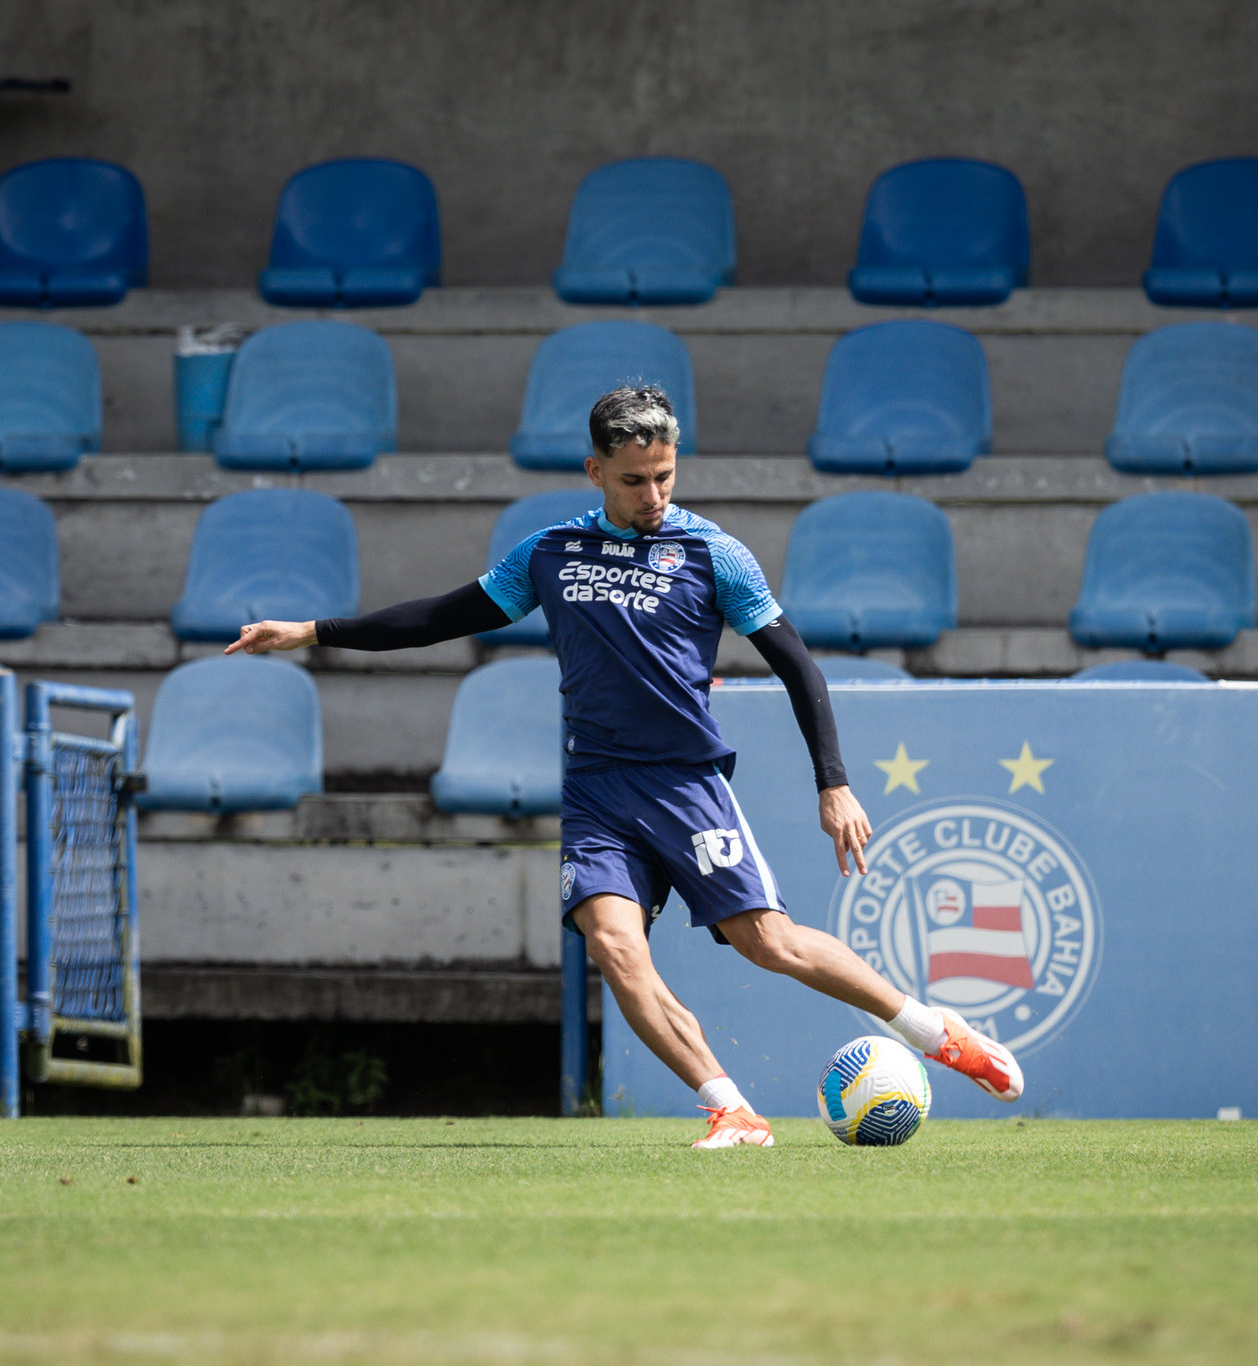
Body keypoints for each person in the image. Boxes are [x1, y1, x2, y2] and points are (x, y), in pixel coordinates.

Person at [228, 385, 1022, 1146]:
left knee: (768, 943)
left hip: (686, 785)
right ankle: (732, 1110)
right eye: (635, 479)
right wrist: (314, 631)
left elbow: (798, 668)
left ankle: (935, 1033)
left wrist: (834, 782)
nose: (653, 494)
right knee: (613, 943)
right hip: (599, 791)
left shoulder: (714, 553)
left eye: (665, 476)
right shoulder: (551, 552)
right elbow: (441, 616)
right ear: (595, 471)